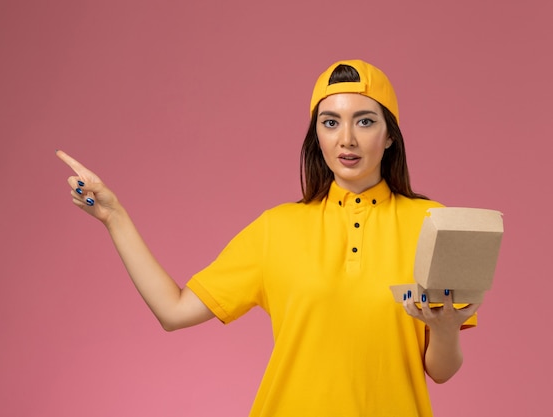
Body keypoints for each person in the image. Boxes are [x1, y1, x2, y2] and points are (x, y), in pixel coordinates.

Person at [57, 59, 480, 416]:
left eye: (365, 121)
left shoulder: (434, 224)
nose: (346, 139)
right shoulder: (277, 228)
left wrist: (445, 329)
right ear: (318, 135)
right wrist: (115, 218)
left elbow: (440, 370)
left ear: (389, 136)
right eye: (330, 122)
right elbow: (174, 310)